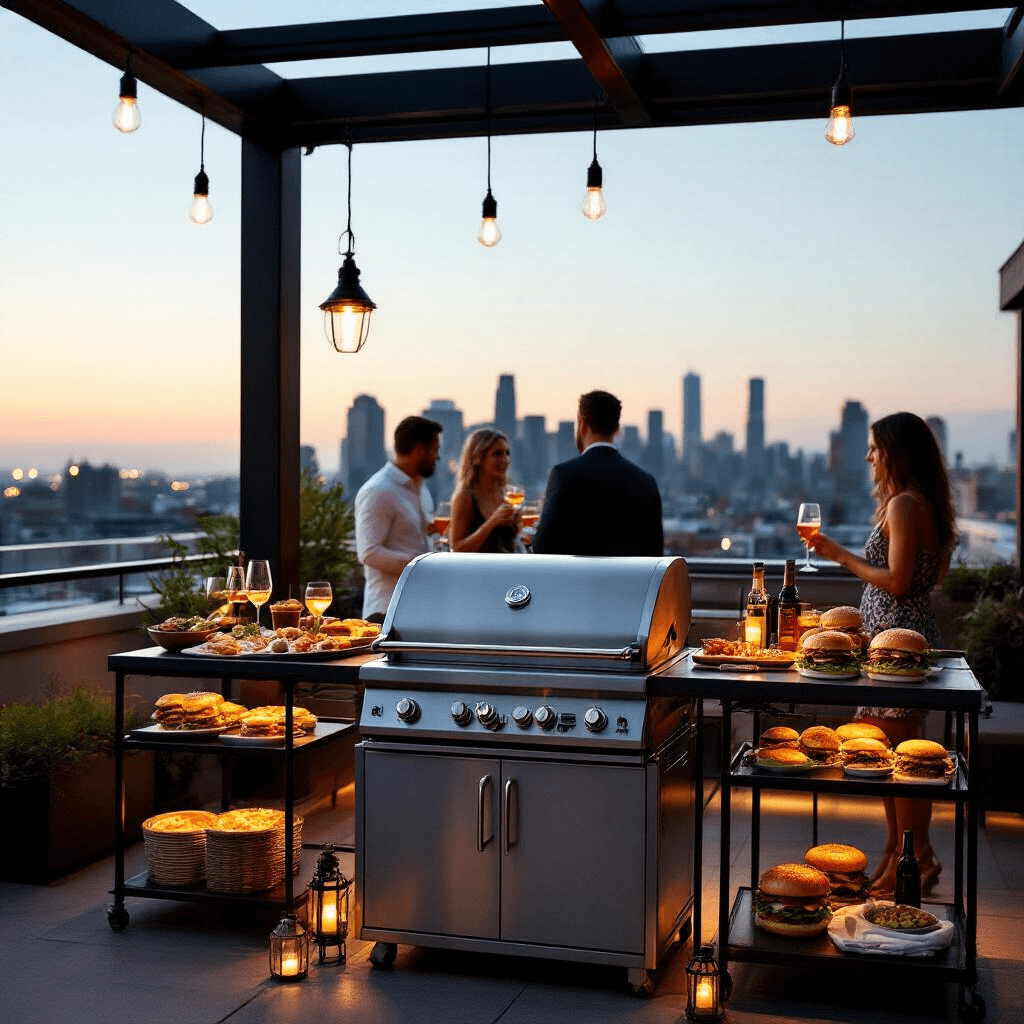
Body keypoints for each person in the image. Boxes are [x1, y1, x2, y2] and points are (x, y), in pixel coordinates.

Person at [805, 411, 956, 897]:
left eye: (875, 448)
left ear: (894, 452)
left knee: (901, 760)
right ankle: (899, 854)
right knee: (893, 756)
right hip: (894, 638)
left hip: (896, 643)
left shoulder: (904, 505)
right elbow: (929, 579)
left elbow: (896, 580)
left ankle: (919, 857)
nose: (869, 456)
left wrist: (838, 554)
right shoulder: (924, 505)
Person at [533, 390, 663, 557]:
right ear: (616, 428)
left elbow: (543, 547)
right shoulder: (646, 481)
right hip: (628, 583)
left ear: (582, 425)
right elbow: (655, 553)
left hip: (578, 582)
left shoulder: (563, 475)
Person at [354, 415, 442, 620]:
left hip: (420, 607)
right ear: (420, 450)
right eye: (435, 450)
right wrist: (419, 565)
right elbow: (368, 553)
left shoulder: (421, 488)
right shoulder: (378, 491)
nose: (438, 457)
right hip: (387, 611)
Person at [449, 429, 520, 553]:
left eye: (507, 453)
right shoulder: (465, 497)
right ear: (477, 458)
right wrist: (492, 522)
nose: (505, 459)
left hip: (507, 569)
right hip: (478, 571)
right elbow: (457, 548)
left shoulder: (507, 496)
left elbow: (510, 544)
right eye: (497, 454)